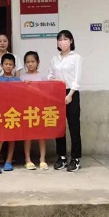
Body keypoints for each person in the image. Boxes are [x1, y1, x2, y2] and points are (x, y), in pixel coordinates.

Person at [48, 30, 83, 172]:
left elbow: (77, 79)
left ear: (71, 41)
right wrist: (54, 80)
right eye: (60, 40)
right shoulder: (54, 59)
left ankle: (76, 158)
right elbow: (50, 75)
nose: (62, 42)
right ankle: (62, 156)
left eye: (65, 39)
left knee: (74, 127)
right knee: (59, 127)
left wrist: (70, 94)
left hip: (71, 93)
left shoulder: (76, 58)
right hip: (57, 93)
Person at [0, 54, 21, 174]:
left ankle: (9, 160)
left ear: (14, 66)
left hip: (14, 112)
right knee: (0, 137)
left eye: (10, 64)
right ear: (1, 65)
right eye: (6, 64)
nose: (8, 66)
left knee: (12, 138)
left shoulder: (18, 80)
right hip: (1, 112)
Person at [20, 51, 48, 170]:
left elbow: (47, 92)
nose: (30, 64)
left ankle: (42, 159)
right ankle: (28, 159)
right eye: (28, 62)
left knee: (42, 135)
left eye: (32, 61)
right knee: (28, 135)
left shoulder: (42, 77)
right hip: (27, 109)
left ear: (38, 62)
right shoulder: (22, 77)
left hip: (40, 109)